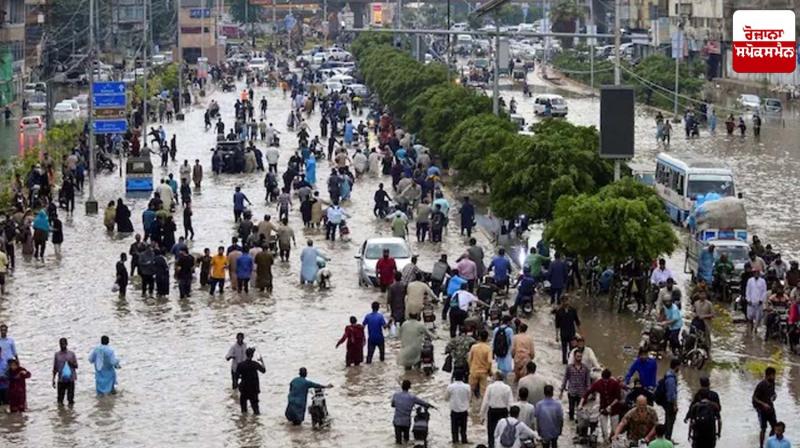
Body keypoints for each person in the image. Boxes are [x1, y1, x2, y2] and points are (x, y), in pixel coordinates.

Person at [581, 368, 625, 443]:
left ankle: (612, 439)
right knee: (604, 429)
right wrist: (581, 403)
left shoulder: (615, 383)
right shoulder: (598, 383)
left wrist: (610, 406)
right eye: (604, 380)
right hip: (603, 408)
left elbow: (618, 398)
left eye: (607, 380)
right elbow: (588, 392)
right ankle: (606, 441)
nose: (605, 382)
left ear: (610, 378)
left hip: (615, 408)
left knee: (614, 429)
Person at [391, 379, 434, 444]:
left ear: (402, 386)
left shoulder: (396, 395)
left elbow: (392, 405)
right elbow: (423, 403)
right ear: (409, 387)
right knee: (406, 440)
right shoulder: (412, 397)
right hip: (406, 422)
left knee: (398, 441)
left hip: (397, 421)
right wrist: (430, 406)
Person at [684, 377, 722, 448]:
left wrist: (687, 417)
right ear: (709, 383)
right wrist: (718, 433)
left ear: (700, 384)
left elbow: (691, 411)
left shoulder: (698, 395)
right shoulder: (714, 396)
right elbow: (719, 413)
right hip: (710, 430)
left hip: (698, 431)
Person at [481, 371, 513, 448]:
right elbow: (510, 403)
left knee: (491, 432)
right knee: (503, 431)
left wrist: (482, 415)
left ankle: (491, 446)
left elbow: (485, 402)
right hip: (503, 412)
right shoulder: (507, 388)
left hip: (492, 411)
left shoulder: (490, 387)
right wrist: (511, 415)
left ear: (495, 378)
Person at [560, 350, 591, 421]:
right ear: (574, 357)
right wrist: (562, 390)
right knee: (571, 410)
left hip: (581, 393)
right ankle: (571, 421)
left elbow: (588, 381)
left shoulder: (585, 368)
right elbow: (565, 379)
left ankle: (578, 426)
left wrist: (588, 393)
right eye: (577, 356)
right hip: (572, 392)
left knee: (580, 411)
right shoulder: (569, 367)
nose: (579, 358)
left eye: (580, 356)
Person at [235, 347, 266, 414]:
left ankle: (244, 423)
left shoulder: (241, 365)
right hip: (253, 389)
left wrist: (238, 383)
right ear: (252, 356)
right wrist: (262, 361)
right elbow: (263, 370)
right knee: (256, 411)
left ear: (246, 354)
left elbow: (236, 377)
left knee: (243, 411)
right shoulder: (255, 364)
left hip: (244, 389)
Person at [753, 367, 778, 448]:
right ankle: (761, 446)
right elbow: (754, 398)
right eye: (773, 375)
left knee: (775, 427)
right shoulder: (761, 385)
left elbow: (773, 393)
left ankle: (769, 443)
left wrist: (774, 396)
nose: (774, 377)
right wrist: (763, 404)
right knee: (763, 428)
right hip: (761, 409)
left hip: (770, 407)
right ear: (768, 376)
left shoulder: (773, 383)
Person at [446, 370, 472, 444]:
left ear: (454, 377)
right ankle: (464, 441)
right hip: (464, 411)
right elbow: (470, 398)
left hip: (454, 411)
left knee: (454, 430)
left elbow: (446, 398)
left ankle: (455, 442)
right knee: (463, 429)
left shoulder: (450, 387)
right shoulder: (467, 387)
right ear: (463, 377)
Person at [554, 297, 581, 364]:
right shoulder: (559, 312)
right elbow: (557, 325)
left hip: (572, 332)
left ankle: (571, 361)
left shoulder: (573, 310)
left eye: (567, 301)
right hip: (563, 333)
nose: (565, 302)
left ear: (569, 301)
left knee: (572, 348)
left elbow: (577, 322)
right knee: (564, 349)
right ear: (562, 302)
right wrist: (557, 336)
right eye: (564, 301)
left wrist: (580, 333)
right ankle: (564, 361)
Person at [52, 337, 78, 407]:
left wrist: (71, 363)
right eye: (61, 344)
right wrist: (53, 379)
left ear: (67, 344)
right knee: (60, 399)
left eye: (64, 344)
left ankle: (70, 415)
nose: (62, 345)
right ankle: (61, 413)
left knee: (71, 399)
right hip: (61, 380)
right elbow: (55, 368)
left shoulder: (71, 354)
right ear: (59, 345)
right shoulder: (57, 355)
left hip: (70, 379)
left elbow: (76, 366)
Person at [659, 358, 680, 440]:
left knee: (668, 420)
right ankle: (668, 438)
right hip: (670, 403)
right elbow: (671, 394)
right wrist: (675, 405)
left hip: (667, 402)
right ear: (676, 366)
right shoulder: (671, 378)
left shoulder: (668, 374)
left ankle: (664, 436)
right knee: (670, 421)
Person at [469, 329, 493, 398]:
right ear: (487, 338)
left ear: (479, 337)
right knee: (483, 392)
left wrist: (471, 368)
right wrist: (489, 371)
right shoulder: (488, 348)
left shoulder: (474, 347)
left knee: (471, 391)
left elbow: (469, 359)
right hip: (483, 372)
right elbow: (490, 361)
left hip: (474, 371)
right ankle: (482, 407)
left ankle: (471, 406)